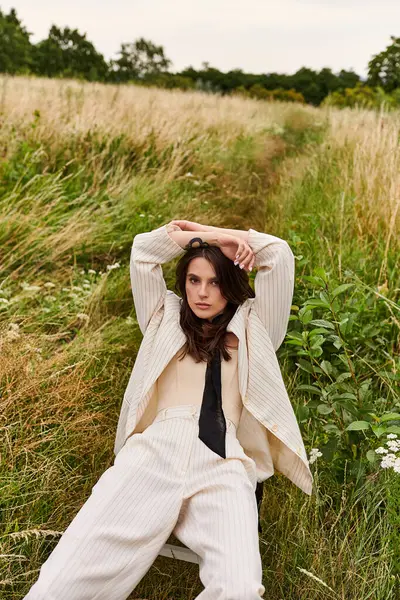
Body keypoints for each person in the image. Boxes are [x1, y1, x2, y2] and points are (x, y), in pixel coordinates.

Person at [24, 220, 312, 600]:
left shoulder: (256, 327)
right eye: (194, 280)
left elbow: (277, 254)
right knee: (64, 577)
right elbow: (144, 251)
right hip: (154, 452)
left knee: (240, 588)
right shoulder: (163, 317)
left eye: (215, 282)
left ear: (232, 284)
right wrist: (209, 238)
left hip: (223, 463)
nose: (203, 293)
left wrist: (231, 240)